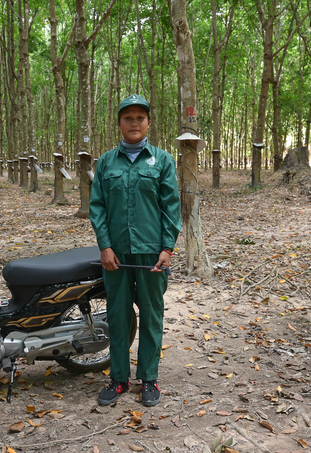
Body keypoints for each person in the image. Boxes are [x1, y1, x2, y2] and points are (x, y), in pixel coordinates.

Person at [89, 94, 181, 407]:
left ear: (148, 123)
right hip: (115, 255)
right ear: (119, 123)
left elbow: (171, 207)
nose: (134, 123)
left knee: (152, 315)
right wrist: (105, 245)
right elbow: (98, 206)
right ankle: (118, 379)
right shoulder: (106, 162)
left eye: (140, 118)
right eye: (128, 118)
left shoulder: (163, 161)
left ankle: (149, 379)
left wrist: (168, 248)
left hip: (152, 253)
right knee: (118, 316)